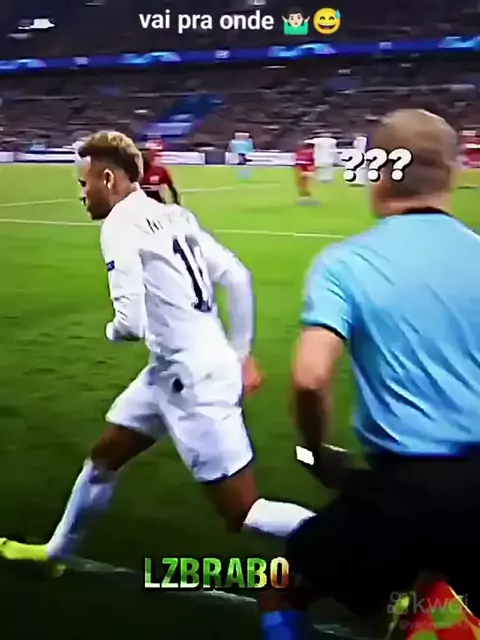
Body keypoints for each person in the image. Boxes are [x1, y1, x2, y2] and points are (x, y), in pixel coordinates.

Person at [0, 132, 314, 573]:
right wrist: (241, 354)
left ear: (108, 179)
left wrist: (110, 332)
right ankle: (56, 554)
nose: (81, 194)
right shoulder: (174, 214)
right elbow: (237, 277)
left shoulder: (119, 225)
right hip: (176, 370)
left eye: (83, 183)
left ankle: (362, 546)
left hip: (192, 381)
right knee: (105, 457)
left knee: (243, 512)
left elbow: (130, 325)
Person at [262, 109, 480, 639]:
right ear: (453, 173)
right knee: (440, 600)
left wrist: (317, 452)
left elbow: (310, 377)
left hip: (401, 489)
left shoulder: (345, 264)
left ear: (377, 173)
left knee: (282, 585)